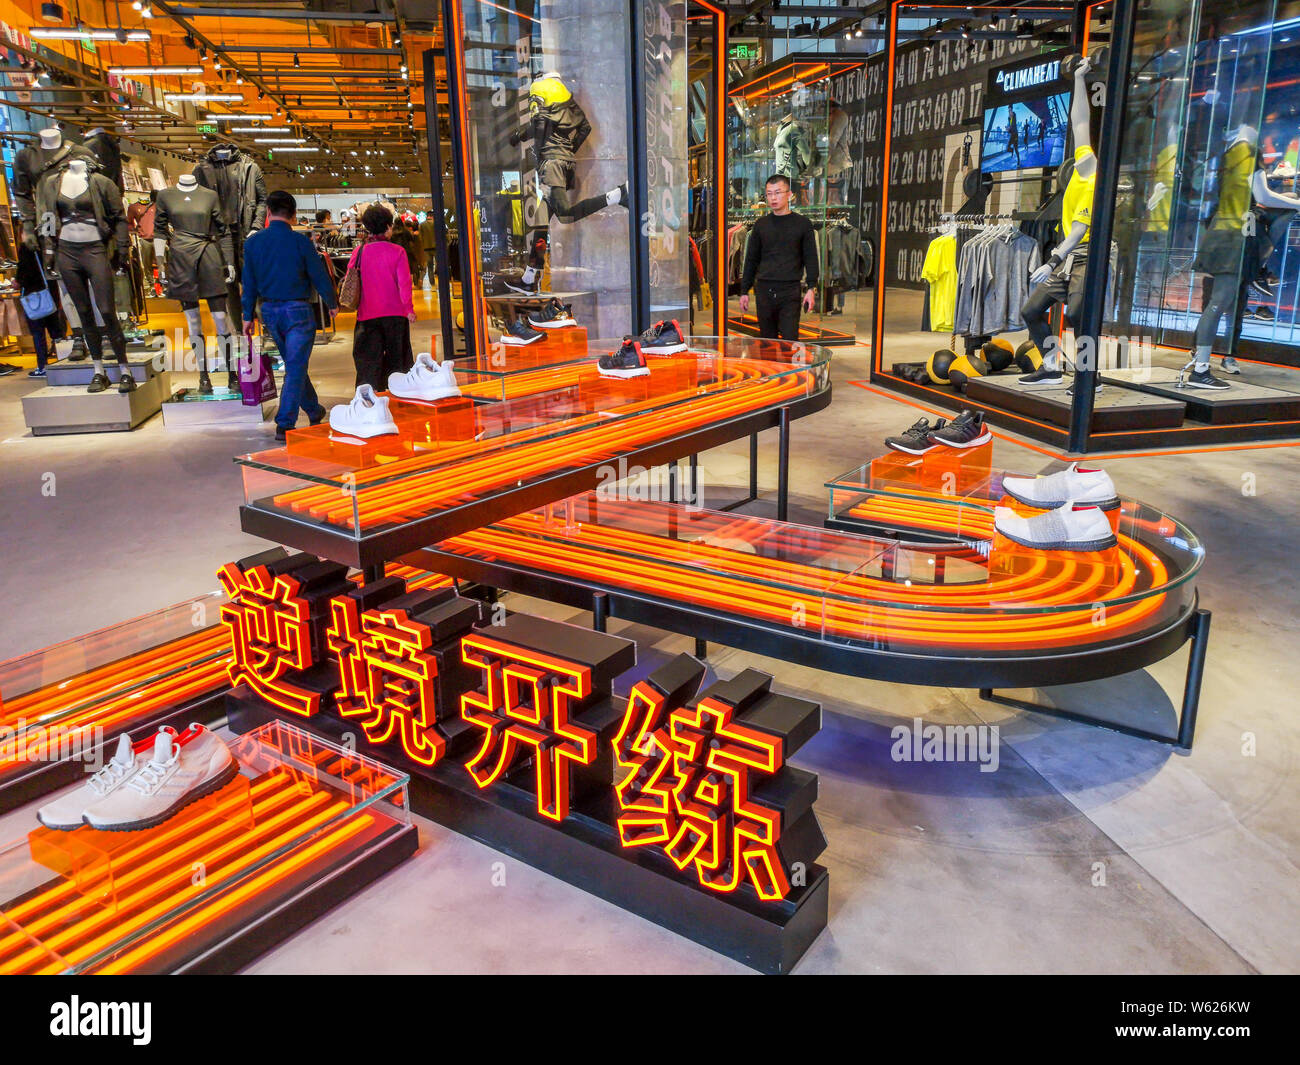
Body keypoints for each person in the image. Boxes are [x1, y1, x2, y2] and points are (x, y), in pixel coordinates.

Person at [241, 189, 337, 441]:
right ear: (293, 215)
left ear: (268, 213)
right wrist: (332, 302)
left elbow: (248, 282)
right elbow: (319, 275)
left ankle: (314, 410)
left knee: (295, 364)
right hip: (298, 311)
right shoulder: (301, 242)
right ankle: (285, 423)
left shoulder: (252, 244)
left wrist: (247, 314)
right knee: (295, 366)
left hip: (269, 312)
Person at [737, 174, 819, 341]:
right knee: (767, 342)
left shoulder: (803, 224)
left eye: (778, 192)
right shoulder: (761, 225)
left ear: (789, 194)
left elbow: (811, 258)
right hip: (764, 290)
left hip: (790, 290)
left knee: (790, 340)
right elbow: (751, 259)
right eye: (769, 193)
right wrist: (744, 290)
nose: (773, 198)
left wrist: (811, 288)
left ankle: (789, 368)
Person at [348, 204, 415, 391]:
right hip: (395, 315)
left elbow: (350, 279)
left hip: (367, 316)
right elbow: (404, 284)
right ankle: (398, 398)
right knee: (398, 362)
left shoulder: (358, 252)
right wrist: (409, 309)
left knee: (368, 363)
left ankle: (368, 402)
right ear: (387, 226)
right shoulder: (397, 251)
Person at [16, 239, 65, 378]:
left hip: (34, 295)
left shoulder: (27, 248)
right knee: (55, 330)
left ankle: (42, 366)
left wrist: (18, 281)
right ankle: (62, 360)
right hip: (50, 292)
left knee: (38, 333)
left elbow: (24, 271)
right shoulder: (47, 243)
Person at [419, 211, 439, 285]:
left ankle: (432, 284)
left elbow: (420, 238)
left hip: (426, 249)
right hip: (436, 247)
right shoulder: (436, 224)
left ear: (427, 216)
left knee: (430, 267)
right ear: (433, 216)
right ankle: (442, 283)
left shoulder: (422, 225)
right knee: (439, 265)